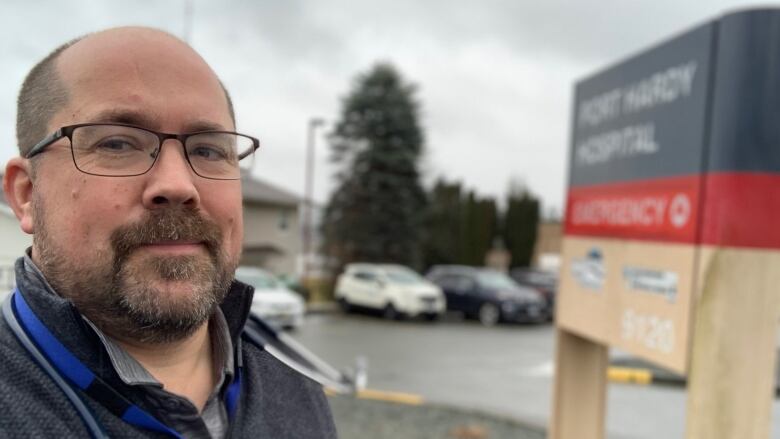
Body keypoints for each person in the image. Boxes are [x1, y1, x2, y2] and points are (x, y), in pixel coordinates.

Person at [0, 27, 337, 438]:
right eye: (117, 144)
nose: (179, 185)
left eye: (208, 150)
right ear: (27, 194)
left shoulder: (295, 384)